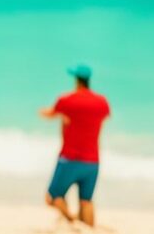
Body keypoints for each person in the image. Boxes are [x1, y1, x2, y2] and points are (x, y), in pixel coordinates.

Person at [40, 64, 111, 227]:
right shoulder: (102, 102)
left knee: (52, 197)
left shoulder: (66, 100)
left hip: (69, 159)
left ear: (77, 81)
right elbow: (103, 119)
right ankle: (89, 229)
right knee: (86, 201)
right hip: (92, 161)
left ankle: (73, 222)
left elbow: (51, 114)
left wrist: (44, 113)